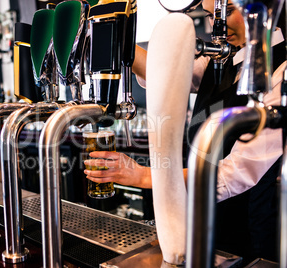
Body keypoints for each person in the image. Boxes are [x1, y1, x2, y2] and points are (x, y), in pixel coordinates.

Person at [84, 0, 286, 264]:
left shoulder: (281, 71)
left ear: (264, 9)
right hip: (202, 220)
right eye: (211, 16)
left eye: (226, 13)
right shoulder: (223, 59)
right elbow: (162, 72)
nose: (217, 27)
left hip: (248, 232)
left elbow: (235, 173)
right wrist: (114, 37)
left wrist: (144, 176)